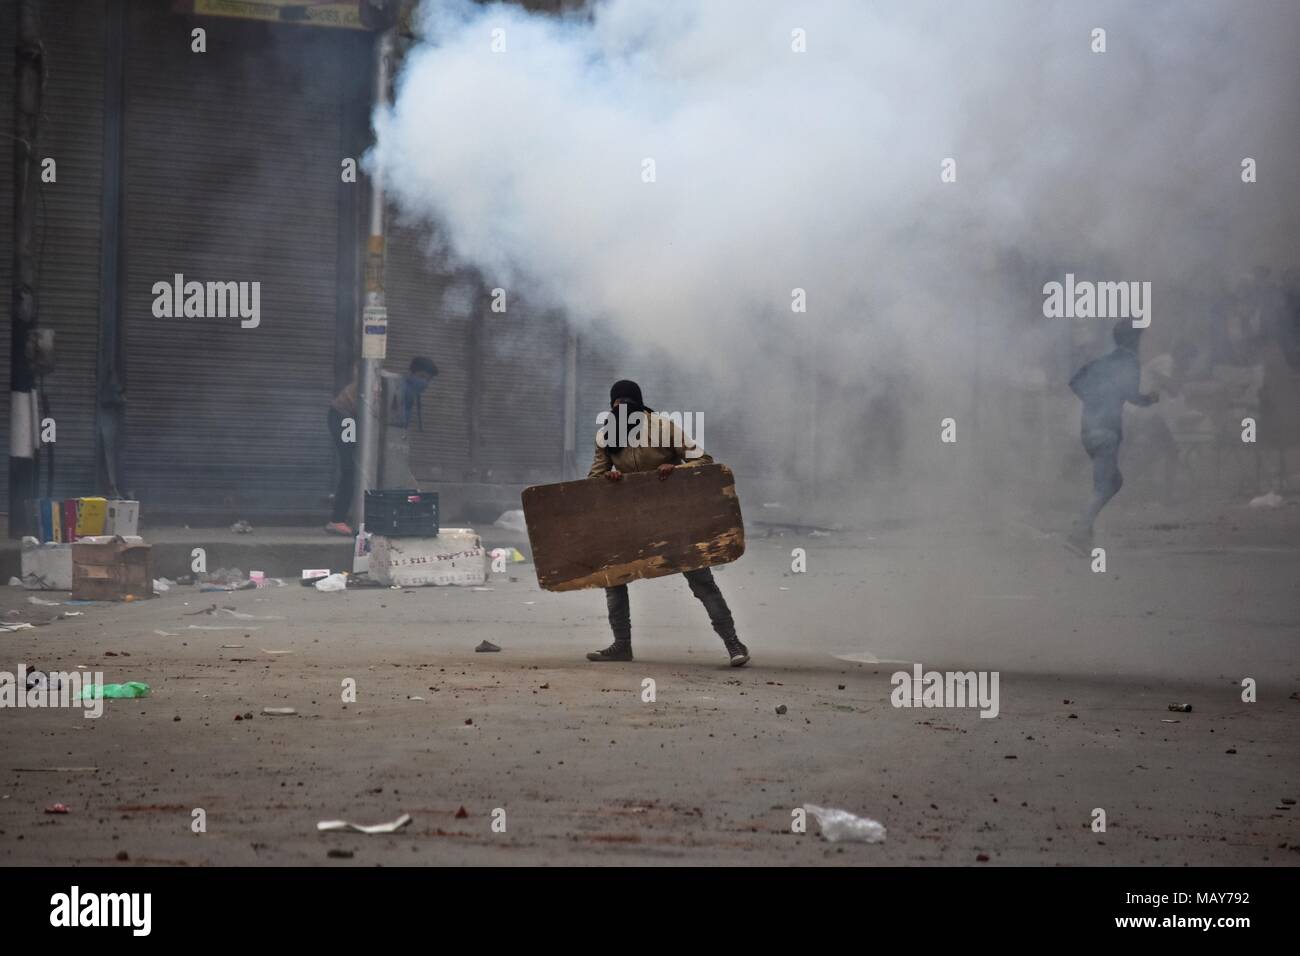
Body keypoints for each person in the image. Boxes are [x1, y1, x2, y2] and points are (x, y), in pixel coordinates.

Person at [585, 380, 750, 666]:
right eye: (617, 403)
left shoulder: (663, 427)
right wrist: (607, 479)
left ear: (638, 403)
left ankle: (734, 645)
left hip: (673, 519)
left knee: (701, 581)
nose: (622, 406)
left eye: (628, 401)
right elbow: (592, 479)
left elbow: (704, 461)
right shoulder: (606, 436)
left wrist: (676, 469)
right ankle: (622, 646)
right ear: (611, 406)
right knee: (613, 579)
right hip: (632, 520)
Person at [1067, 322, 1158, 553]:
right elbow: (1132, 395)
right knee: (1104, 486)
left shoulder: (1102, 362)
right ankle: (1079, 533)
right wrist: (1151, 398)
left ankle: (1085, 532)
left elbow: (1074, 382)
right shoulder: (1129, 362)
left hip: (1088, 432)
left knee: (1113, 482)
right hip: (1107, 432)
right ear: (1133, 340)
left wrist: (1094, 398)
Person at [325, 356, 438, 535]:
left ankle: (351, 517)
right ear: (411, 373)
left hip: (354, 420)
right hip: (345, 418)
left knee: (362, 469)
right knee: (352, 468)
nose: (424, 382)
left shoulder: (404, 389)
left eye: (427, 379)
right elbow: (387, 420)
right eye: (421, 376)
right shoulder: (398, 388)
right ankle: (337, 520)